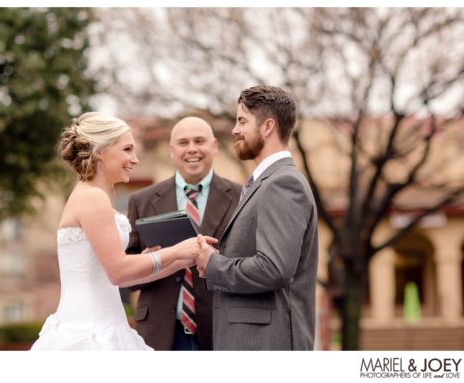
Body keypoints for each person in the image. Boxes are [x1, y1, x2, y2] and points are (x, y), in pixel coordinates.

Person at [30, 112, 201, 351]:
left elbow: (116, 273)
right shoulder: (92, 197)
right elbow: (118, 272)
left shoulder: (92, 195)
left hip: (106, 324)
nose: (135, 159)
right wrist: (174, 252)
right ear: (101, 151)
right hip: (89, 334)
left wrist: (177, 261)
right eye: (127, 149)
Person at [196, 85, 319, 350]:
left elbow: (273, 269)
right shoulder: (264, 182)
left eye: (242, 121)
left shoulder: (283, 183)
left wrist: (214, 264)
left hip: (267, 345)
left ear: (268, 127)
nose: (234, 130)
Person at [126, 116, 241, 350]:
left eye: (199, 141)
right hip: (159, 331)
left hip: (220, 328)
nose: (192, 149)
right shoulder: (142, 200)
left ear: (214, 146)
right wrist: (149, 260)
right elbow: (126, 276)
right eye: (183, 142)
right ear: (171, 150)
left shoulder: (242, 197)